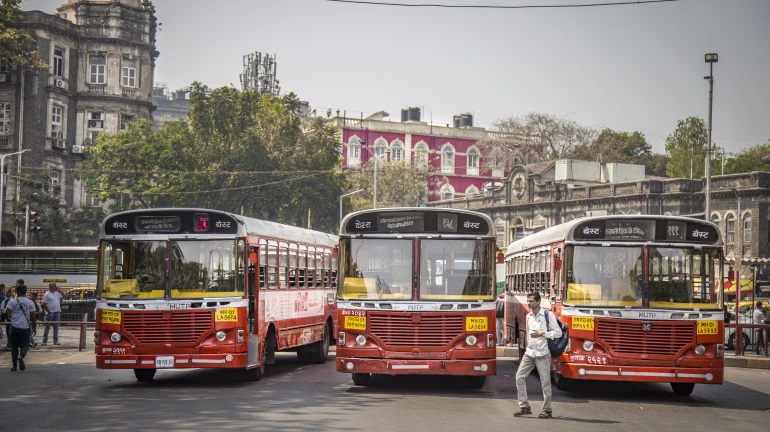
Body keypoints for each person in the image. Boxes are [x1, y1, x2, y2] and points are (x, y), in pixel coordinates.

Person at [513, 291, 562, 419]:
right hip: (530, 352)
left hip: (543, 353)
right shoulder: (528, 316)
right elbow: (529, 334)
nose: (529, 303)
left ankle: (547, 409)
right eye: (528, 301)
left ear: (539, 301)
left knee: (545, 382)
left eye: (531, 301)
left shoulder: (547, 315)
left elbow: (558, 333)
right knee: (519, 377)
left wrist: (542, 334)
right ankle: (524, 407)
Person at [5, 285, 36, 371]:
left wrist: (9, 319)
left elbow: (6, 312)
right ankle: (21, 356)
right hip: (25, 327)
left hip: (14, 327)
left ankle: (14, 366)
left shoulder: (12, 302)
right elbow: (33, 317)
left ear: (18, 292)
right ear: (25, 292)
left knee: (14, 347)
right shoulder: (30, 302)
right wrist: (34, 328)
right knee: (25, 344)